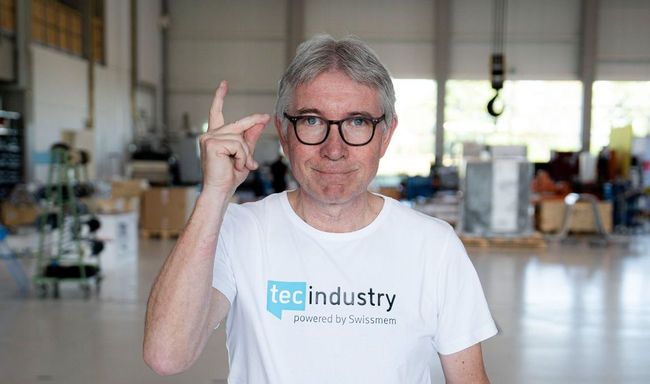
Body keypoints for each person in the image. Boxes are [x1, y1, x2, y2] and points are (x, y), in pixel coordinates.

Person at [144, 34, 497, 383]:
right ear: (284, 132)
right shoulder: (238, 231)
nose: (334, 148)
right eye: (312, 121)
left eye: (357, 122)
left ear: (386, 135)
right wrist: (214, 195)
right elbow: (167, 355)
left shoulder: (433, 246)